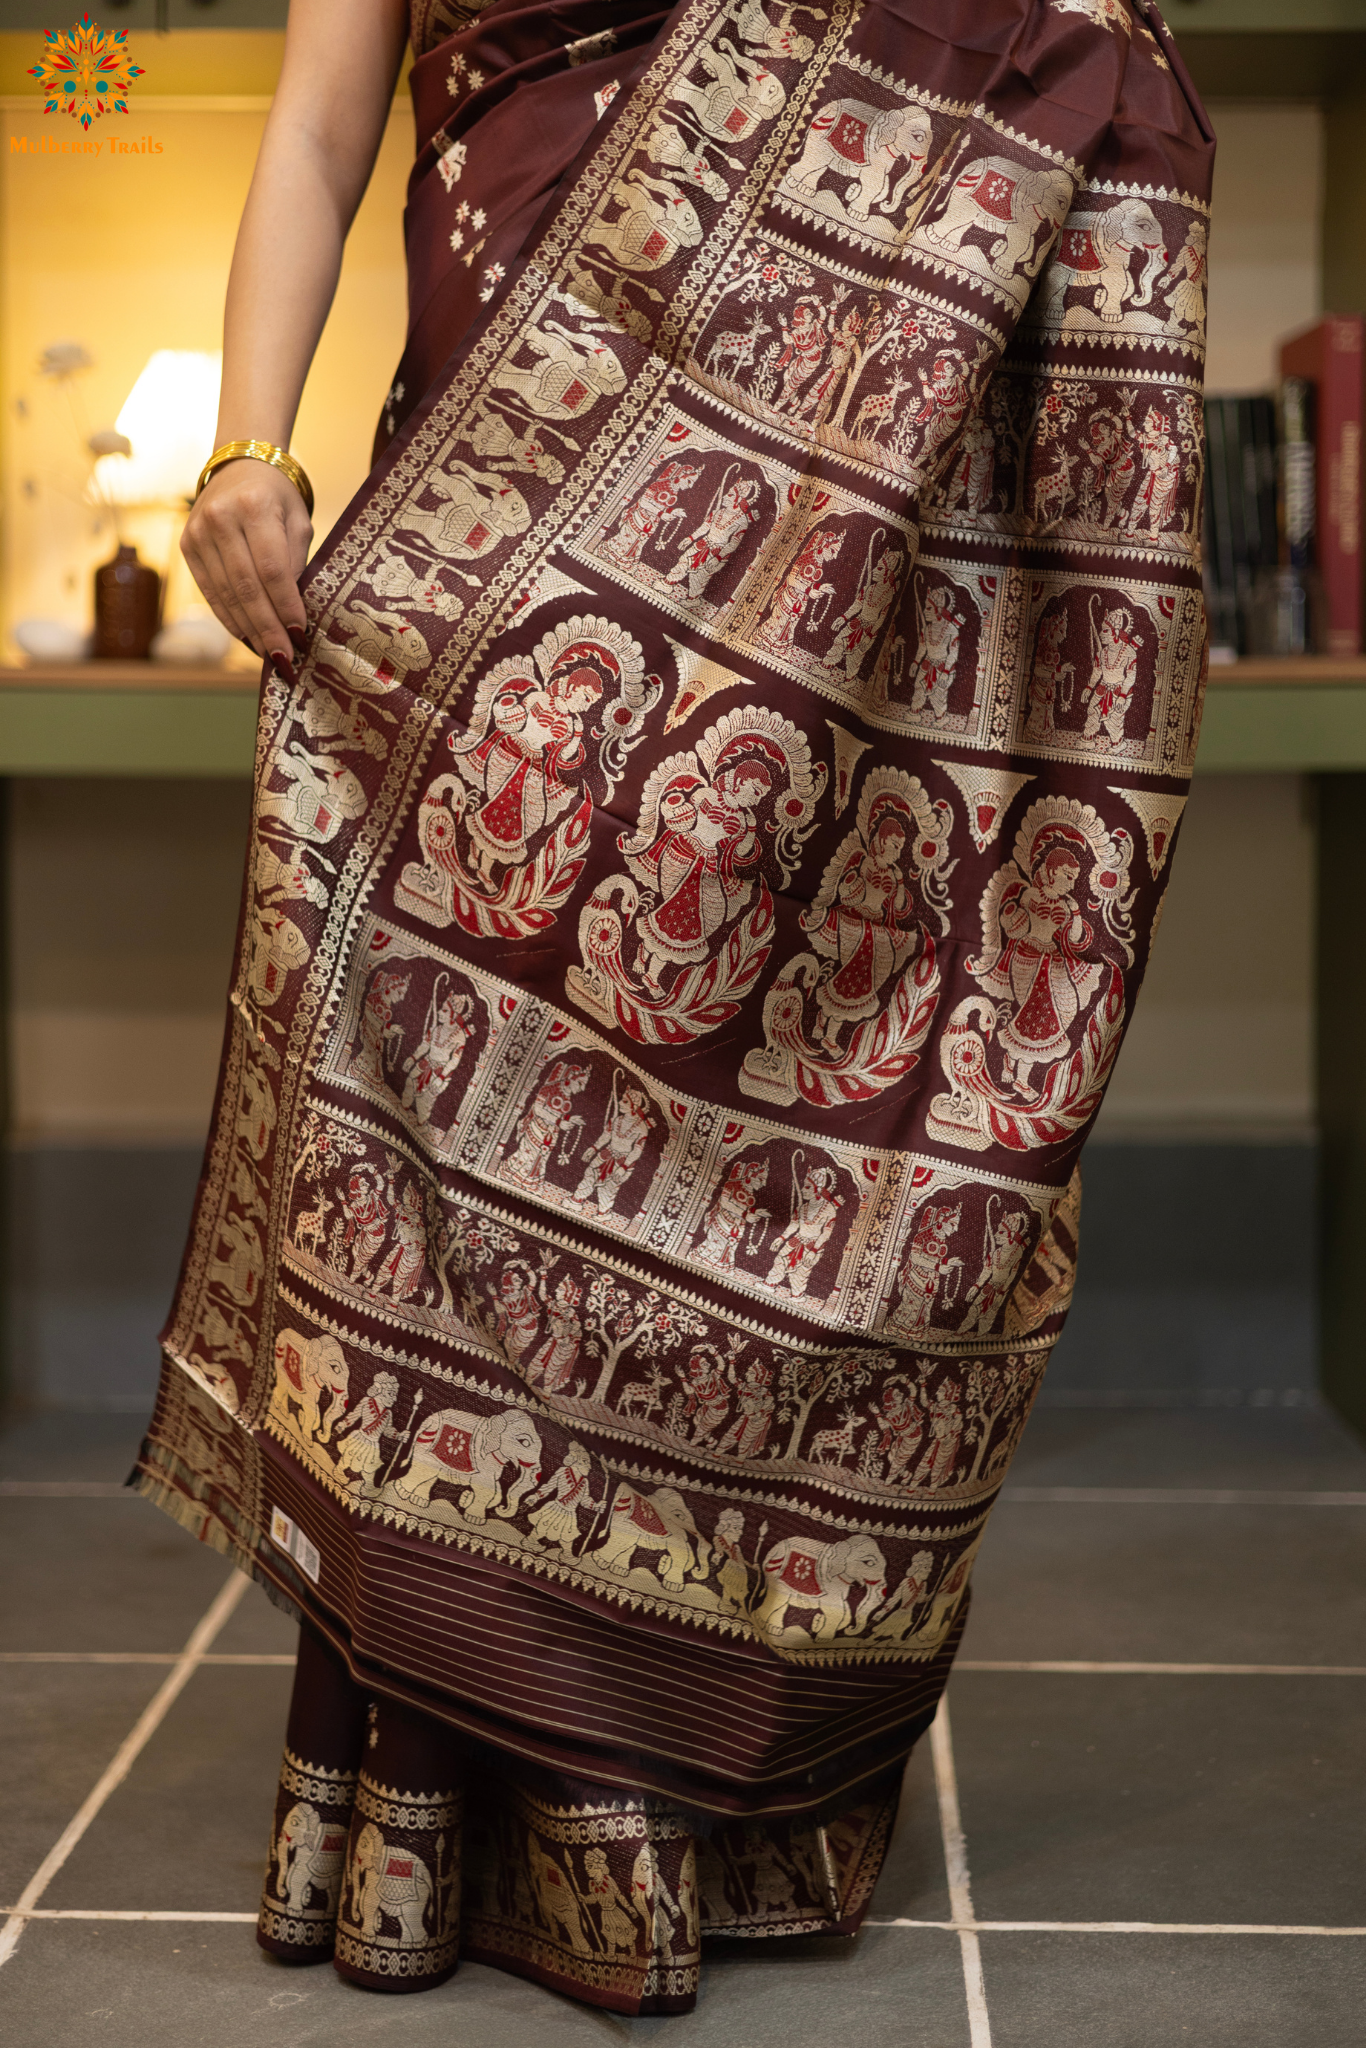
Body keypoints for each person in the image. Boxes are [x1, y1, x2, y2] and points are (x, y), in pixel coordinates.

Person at [139, 0, 1214, 2018]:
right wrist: (245, 444)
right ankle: (460, 1771)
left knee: (720, 1098)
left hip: (820, 543)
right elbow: (314, 130)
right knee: (453, 1122)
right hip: (505, 470)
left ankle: (669, 1779)